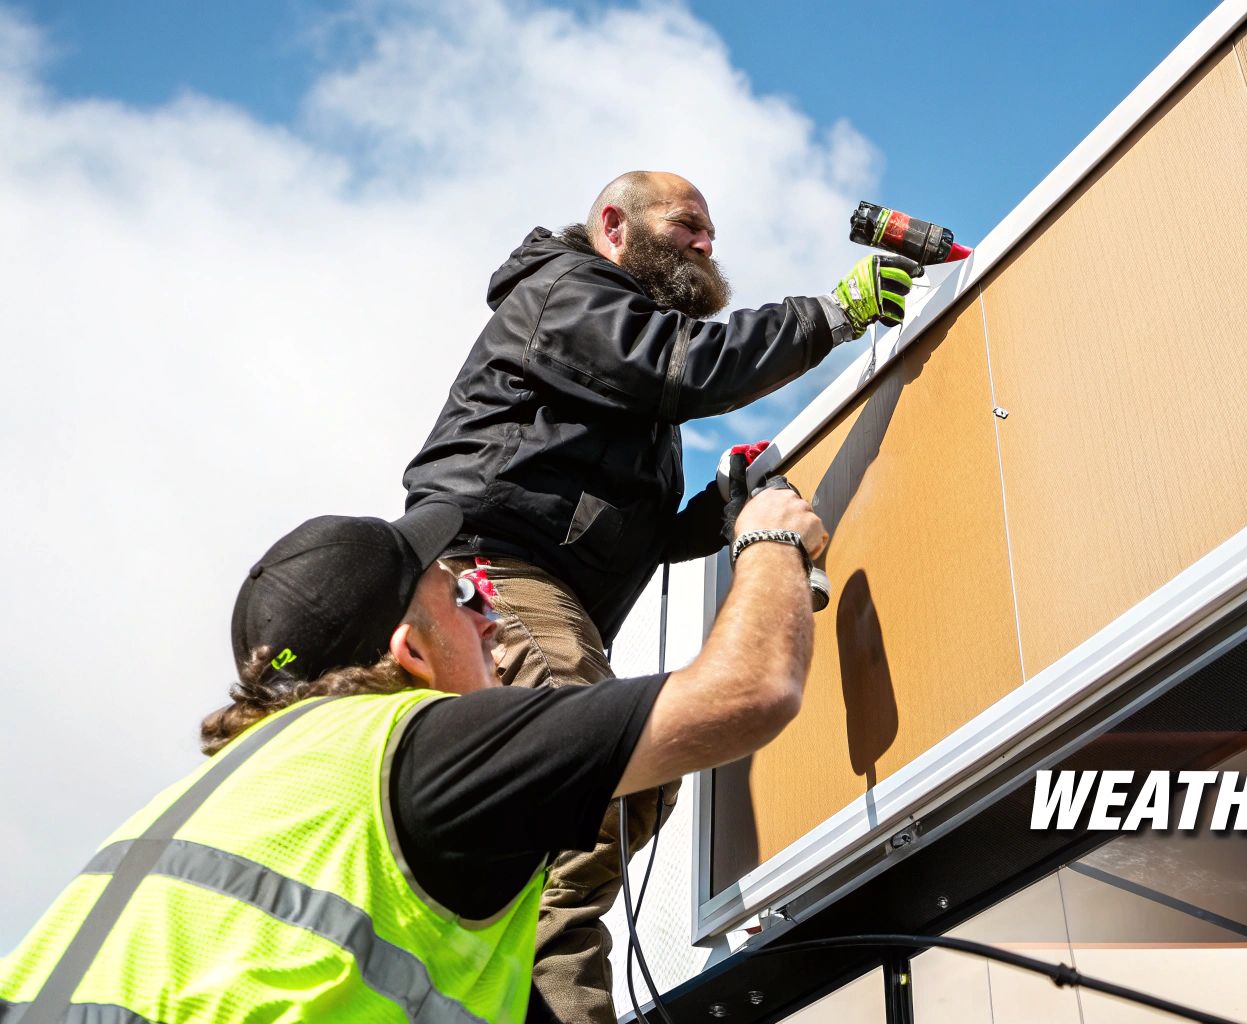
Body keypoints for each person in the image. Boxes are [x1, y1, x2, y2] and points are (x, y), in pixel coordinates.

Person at [0, 483, 826, 1023]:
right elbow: (747, 690)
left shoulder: (207, 806)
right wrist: (769, 542)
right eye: (462, 598)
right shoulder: (411, 742)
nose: (494, 624)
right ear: (412, 654)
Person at [400, 170, 919, 1019]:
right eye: (687, 225)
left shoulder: (627, 392)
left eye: (710, 232)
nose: (707, 244)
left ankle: (479, 971)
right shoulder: (567, 292)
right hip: (488, 580)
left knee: (632, 785)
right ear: (614, 224)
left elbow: (635, 529)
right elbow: (683, 364)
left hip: (542, 599)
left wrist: (720, 509)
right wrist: (830, 316)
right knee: (587, 797)